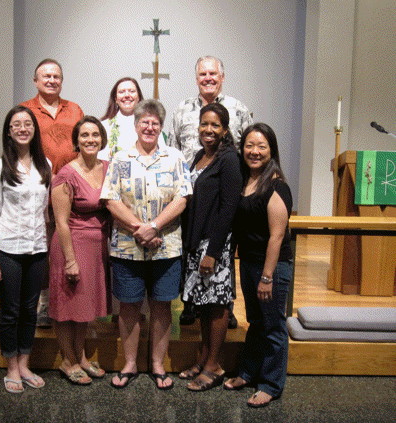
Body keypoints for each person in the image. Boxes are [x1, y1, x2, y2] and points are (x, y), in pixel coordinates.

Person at [100, 99, 192, 390]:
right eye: (145, 122)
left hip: (166, 245)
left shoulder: (175, 157)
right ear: (136, 125)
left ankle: (157, 364)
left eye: (155, 122)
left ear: (161, 127)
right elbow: (110, 198)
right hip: (127, 246)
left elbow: (183, 198)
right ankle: (129, 364)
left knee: (162, 306)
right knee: (129, 307)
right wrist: (138, 228)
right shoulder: (120, 157)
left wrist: (154, 227)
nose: (149, 127)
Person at [168, 56, 252, 327]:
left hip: (225, 191)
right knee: (191, 250)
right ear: (196, 78)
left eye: (213, 73)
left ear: (222, 77)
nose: (208, 78)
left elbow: (251, 147)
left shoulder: (238, 109)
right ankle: (191, 303)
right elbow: (174, 149)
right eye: (203, 74)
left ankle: (226, 305)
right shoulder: (182, 110)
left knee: (221, 253)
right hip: (193, 191)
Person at [224, 123, 293, 408]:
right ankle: (248, 372)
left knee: (274, 326)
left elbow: (277, 236)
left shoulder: (276, 185)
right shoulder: (244, 180)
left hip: (271, 267)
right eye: (249, 145)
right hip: (250, 263)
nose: (254, 151)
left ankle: (271, 384)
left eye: (261, 146)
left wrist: (267, 277)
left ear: (271, 150)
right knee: (256, 321)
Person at [0, 105, 52, 393]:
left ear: (34, 130)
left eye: (27, 123)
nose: (22, 128)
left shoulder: (45, 165)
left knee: (30, 310)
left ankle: (24, 363)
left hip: (37, 249)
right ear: (9, 131)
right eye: (16, 124)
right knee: (11, 310)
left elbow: (47, 214)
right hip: (8, 249)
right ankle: (11, 367)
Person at [180, 103, 242, 391]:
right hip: (197, 241)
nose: (208, 130)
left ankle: (214, 365)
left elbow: (229, 207)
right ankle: (204, 358)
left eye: (215, 125)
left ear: (225, 130)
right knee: (203, 305)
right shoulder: (199, 156)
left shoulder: (228, 159)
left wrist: (213, 252)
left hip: (215, 244)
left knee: (216, 306)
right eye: (205, 124)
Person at [21, 58, 84, 327]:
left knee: (66, 246)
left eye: (56, 76)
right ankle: (43, 301)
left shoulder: (75, 109)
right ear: (36, 81)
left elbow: (84, 143)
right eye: (46, 76)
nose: (51, 80)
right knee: (41, 247)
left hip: (70, 189)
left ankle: (67, 299)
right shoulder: (25, 110)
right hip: (38, 188)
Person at [49, 116, 111, 385]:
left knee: (83, 306)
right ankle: (67, 359)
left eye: (95, 135)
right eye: (84, 135)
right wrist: (70, 261)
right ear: (76, 141)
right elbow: (60, 221)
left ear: (102, 139)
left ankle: (81, 357)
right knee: (67, 306)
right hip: (70, 244)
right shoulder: (66, 174)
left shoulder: (107, 168)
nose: (90, 140)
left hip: (97, 246)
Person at [98, 77, 166, 160]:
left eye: (132, 91)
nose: (127, 95)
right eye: (121, 92)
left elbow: (162, 154)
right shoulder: (104, 126)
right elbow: (100, 160)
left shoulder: (151, 125)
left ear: (138, 97)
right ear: (115, 99)